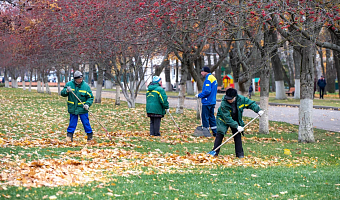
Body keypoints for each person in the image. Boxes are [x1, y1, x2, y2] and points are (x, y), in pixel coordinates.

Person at [212, 88, 264, 158]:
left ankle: (240, 154)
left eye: (230, 99)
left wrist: (258, 110)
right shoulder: (224, 103)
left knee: (237, 135)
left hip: (235, 118)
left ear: (235, 97)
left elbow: (251, 104)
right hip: (223, 119)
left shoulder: (241, 99)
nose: (229, 100)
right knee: (220, 134)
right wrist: (236, 126)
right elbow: (227, 118)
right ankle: (214, 152)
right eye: (228, 98)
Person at [61, 71, 94, 142]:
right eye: (79, 79)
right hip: (73, 109)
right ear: (75, 79)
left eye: (81, 78)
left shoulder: (85, 86)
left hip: (83, 109)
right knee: (72, 123)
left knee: (86, 122)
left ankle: (89, 136)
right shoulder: (69, 84)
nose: (81, 80)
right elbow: (62, 93)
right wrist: (66, 90)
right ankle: (69, 136)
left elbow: (90, 97)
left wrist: (87, 104)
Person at [195, 66, 218, 136]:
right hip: (212, 101)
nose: (201, 73)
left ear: (206, 72)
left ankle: (206, 132)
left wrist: (199, 95)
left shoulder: (208, 79)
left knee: (205, 117)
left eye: (202, 72)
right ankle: (215, 132)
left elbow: (207, 91)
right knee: (211, 117)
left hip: (207, 101)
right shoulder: (213, 78)